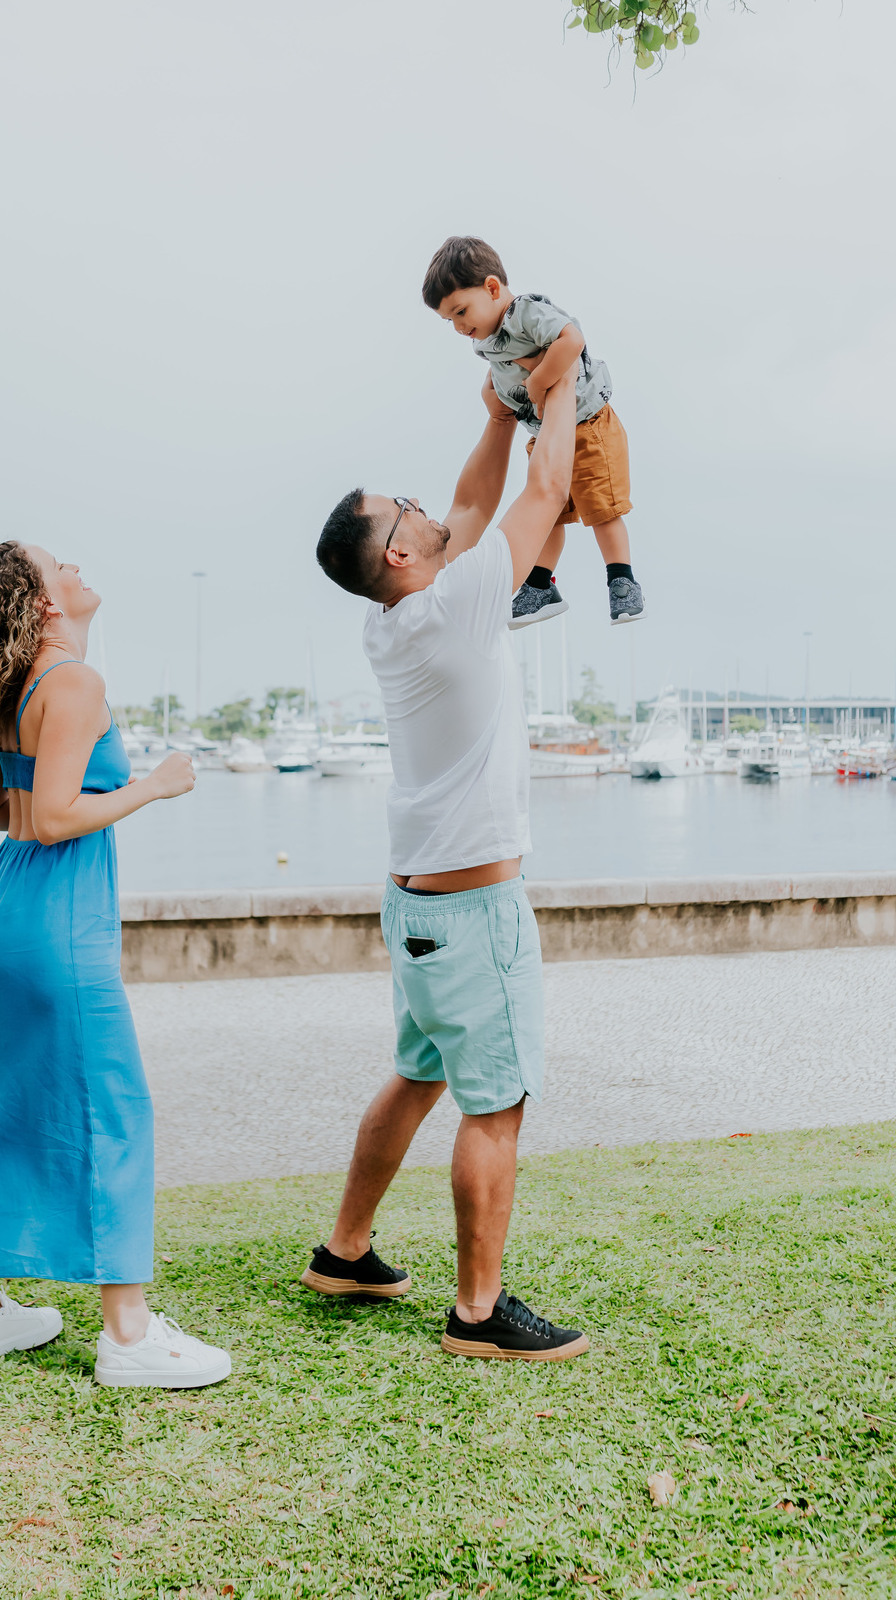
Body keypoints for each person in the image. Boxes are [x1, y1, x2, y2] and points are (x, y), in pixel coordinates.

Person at [0, 541, 231, 1388]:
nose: (77, 565)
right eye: (60, 563)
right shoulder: (73, 683)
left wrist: (50, 800)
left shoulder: (15, 687)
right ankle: (128, 1335)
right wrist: (156, 785)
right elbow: (57, 818)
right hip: (58, 919)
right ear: (43, 604)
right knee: (111, 1109)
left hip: (1, 911)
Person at [309, 368, 590, 1361]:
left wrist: (498, 414)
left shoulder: (393, 617)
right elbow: (545, 489)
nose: (428, 507)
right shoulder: (461, 602)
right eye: (407, 508)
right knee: (495, 1106)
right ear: (398, 550)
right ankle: (479, 1313)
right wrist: (562, 378)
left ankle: (346, 1251)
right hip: (474, 916)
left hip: (417, 905)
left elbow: (472, 505)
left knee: (415, 1075)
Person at [422, 233, 644, 631]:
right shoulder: (488, 340)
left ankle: (622, 579)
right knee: (546, 517)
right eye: (449, 320)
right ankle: (541, 586)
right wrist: (492, 395)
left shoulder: (525, 312)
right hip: (546, 434)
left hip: (587, 424)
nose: (458, 326)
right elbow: (503, 372)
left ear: (492, 288)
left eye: (461, 311)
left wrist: (540, 381)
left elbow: (571, 340)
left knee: (602, 509)